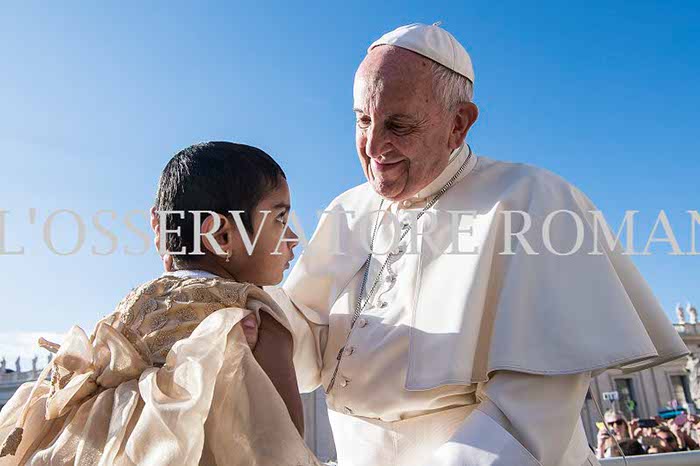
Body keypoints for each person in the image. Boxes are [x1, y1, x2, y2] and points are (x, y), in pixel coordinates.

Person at [263, 23, 689, 466]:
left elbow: (529, 412)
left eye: (399, 124)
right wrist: (247, 312)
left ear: (458, 124)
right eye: (363, 120)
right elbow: (302, 344)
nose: (372, 146)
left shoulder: (533, 201)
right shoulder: (347, 209)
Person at [0, 142, 320, 466]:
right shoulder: (252, 313)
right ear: (221, 236)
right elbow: (285, 444)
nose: (293, 238)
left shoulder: (135, 303)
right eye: (280, 220)